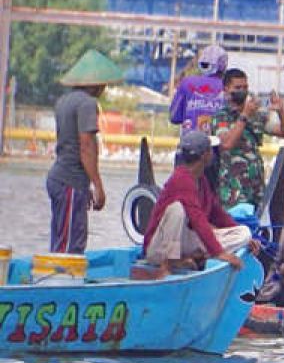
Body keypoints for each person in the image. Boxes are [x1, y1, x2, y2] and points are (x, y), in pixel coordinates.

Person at [46, 49, 124, 254]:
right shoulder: (87, 103)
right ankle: (61, 284)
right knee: (69, 247)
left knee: (65, 238)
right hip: (69, 180)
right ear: (95, 83)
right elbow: (85, 146)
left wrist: (85, 184)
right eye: (102, 84)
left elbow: (69, 144)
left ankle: (65, 281)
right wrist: (98, 186)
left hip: (63, 179)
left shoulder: (64, 101)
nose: (104, 88)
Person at [142, 130, 252, 274]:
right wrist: (219, 253)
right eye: (210, 150)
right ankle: (169, 264)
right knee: (177, 209)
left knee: (244, 233)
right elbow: (197, 218)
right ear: (205, 155)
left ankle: (191, 257)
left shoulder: (201, 180)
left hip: (183, 243)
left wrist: (246, 239)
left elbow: (218, 214)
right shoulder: (181, 178)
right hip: (158, 249)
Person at [210, 68, 284, 211]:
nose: (242, 91)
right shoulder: (221, 117)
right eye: (237, 87)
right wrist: (244, 115)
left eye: (245, 87)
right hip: (233, 189)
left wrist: (280, 112)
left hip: (256, 187)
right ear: (226, 89)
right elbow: (227, 144)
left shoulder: (257, 115)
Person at [168, 44, 227, 133]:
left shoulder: (187, 82)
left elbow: (174, 117)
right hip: (220, 142)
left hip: (189, 142)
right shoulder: (228, 86)